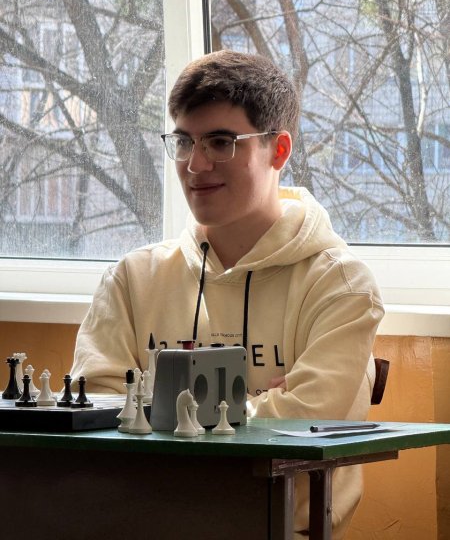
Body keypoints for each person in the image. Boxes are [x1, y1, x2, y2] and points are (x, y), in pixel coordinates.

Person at [70, 50, 384, 538]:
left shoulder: (339, 285)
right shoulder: (132, 279)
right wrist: (259, 403)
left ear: (279, 150)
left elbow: (302, 424)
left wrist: (158, 410)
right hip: (143, 523)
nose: (195, 165)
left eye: (220, 142)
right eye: (183, 142)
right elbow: (94, 412)